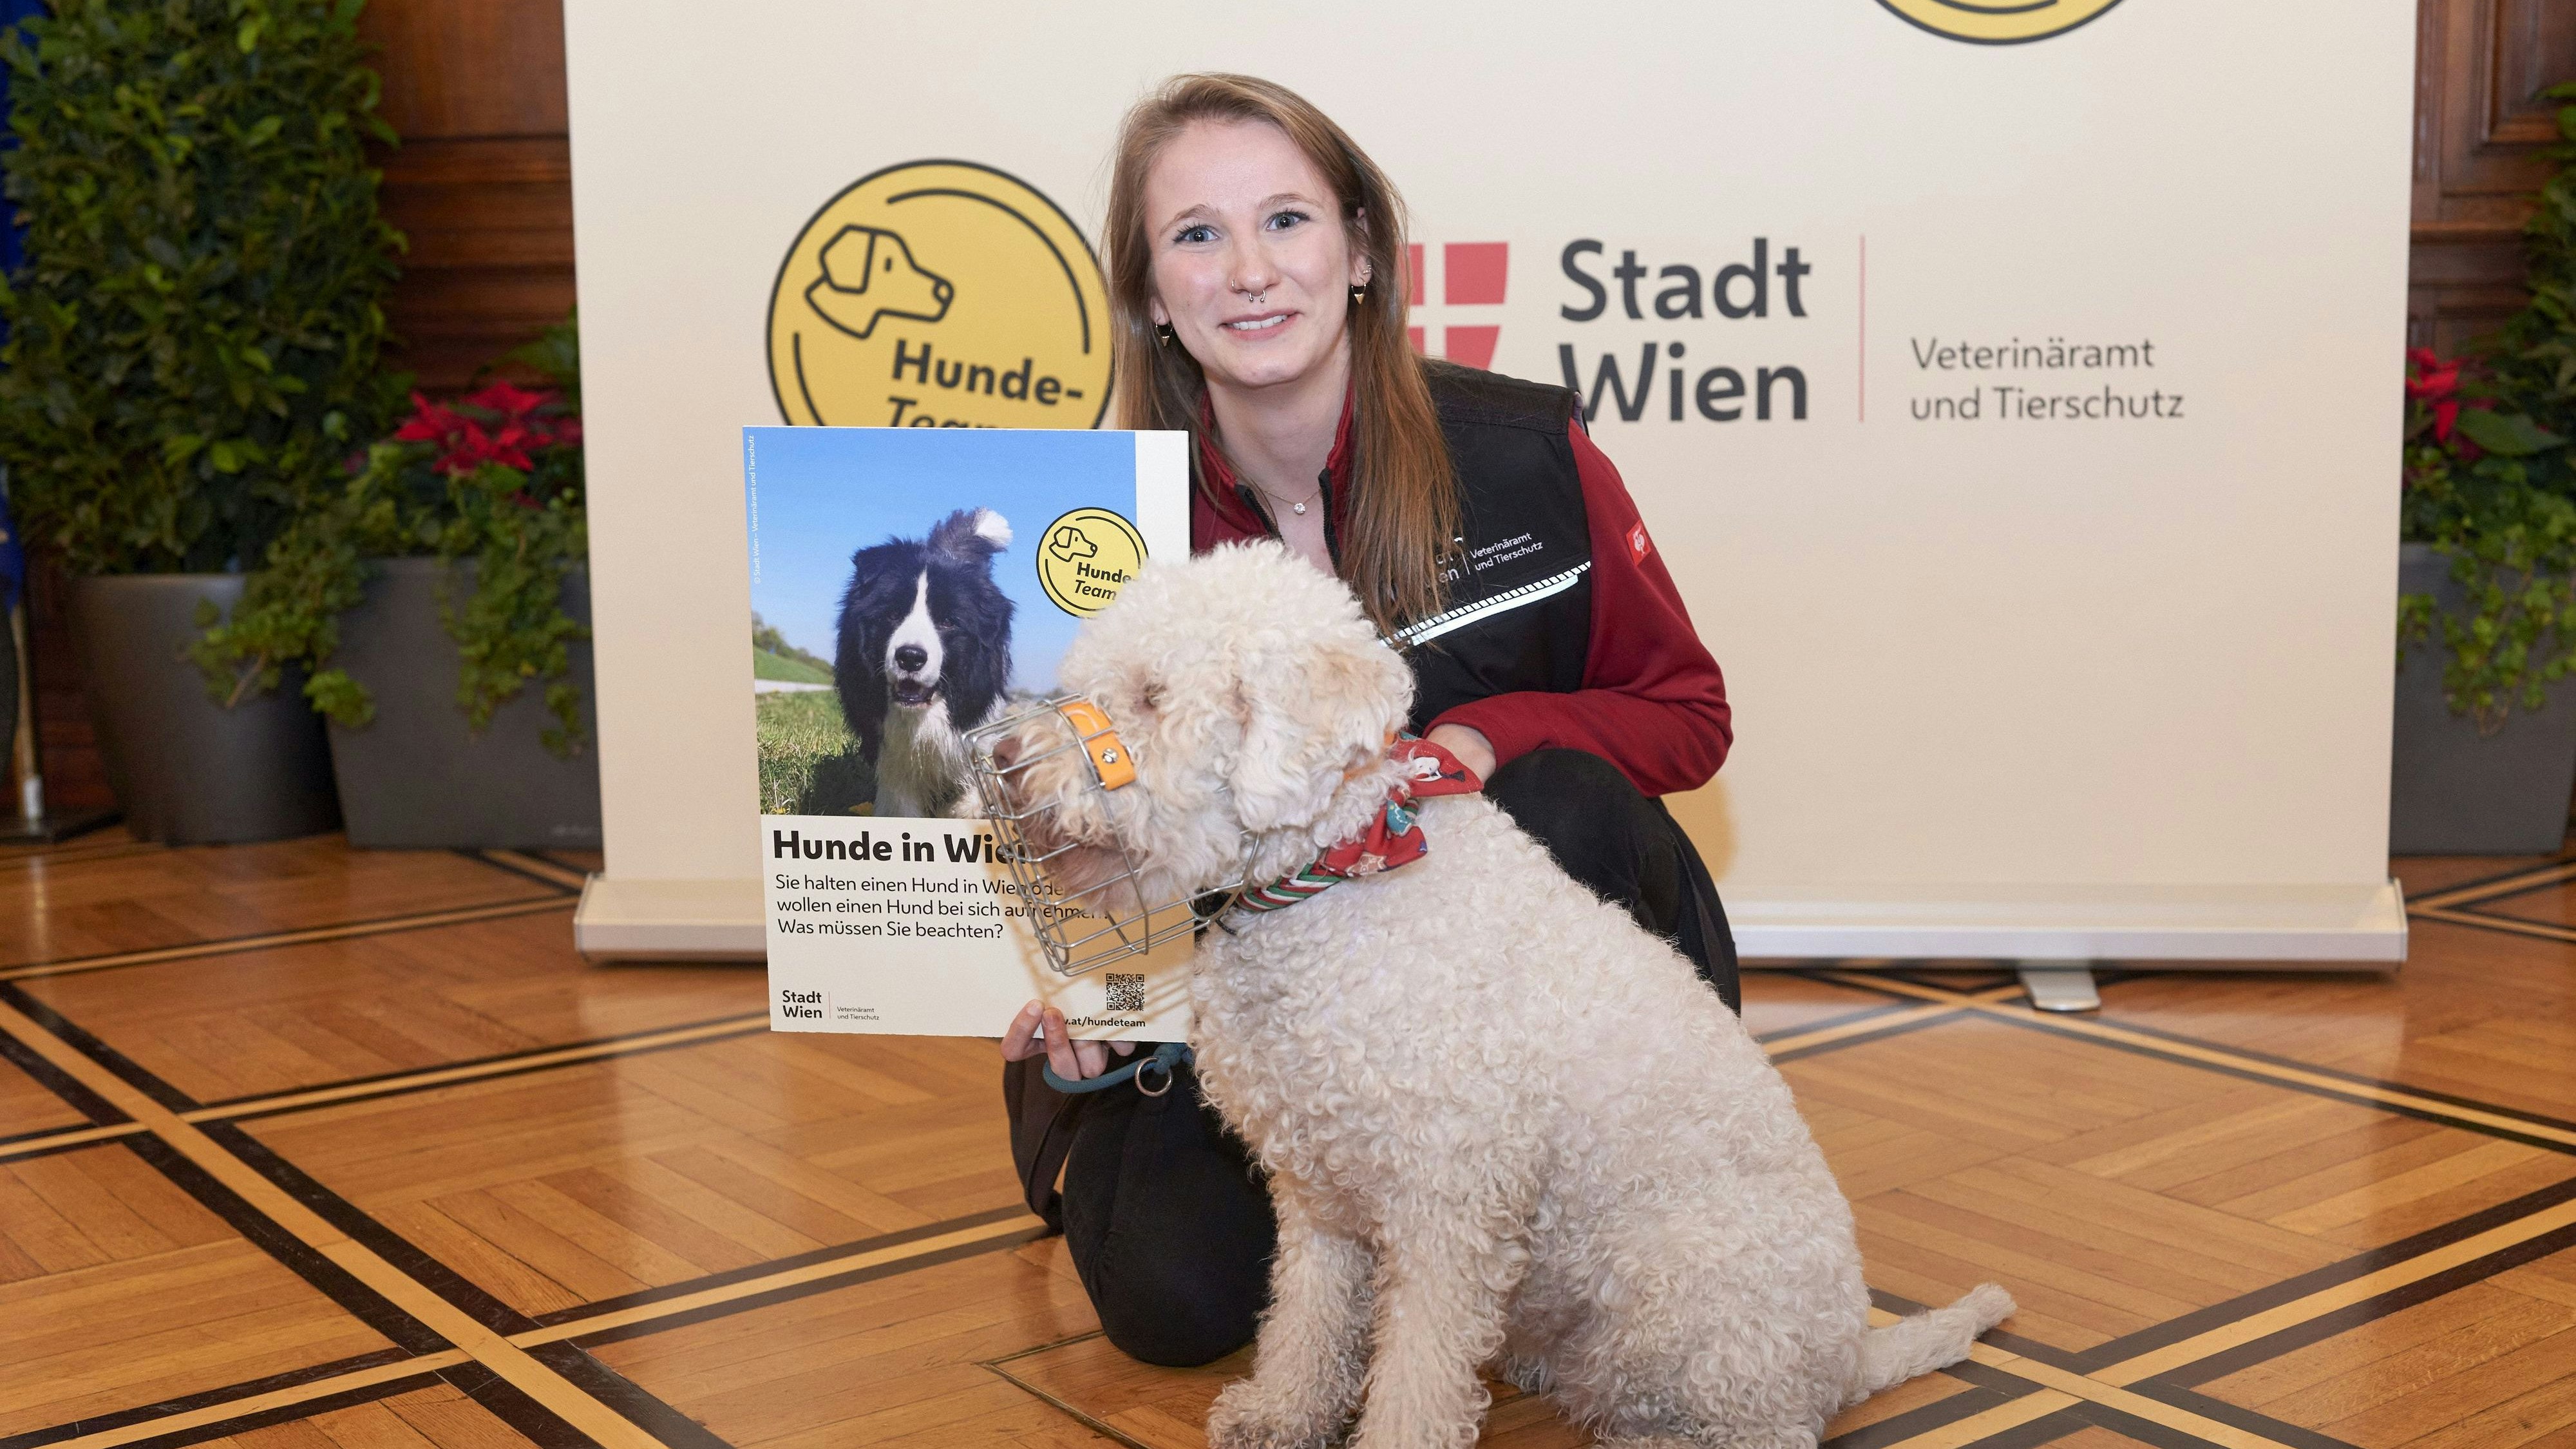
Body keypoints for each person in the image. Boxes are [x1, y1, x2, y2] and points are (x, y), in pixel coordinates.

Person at [998, 73, 1737, 1368]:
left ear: (1358, 253)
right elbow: (1082, 804)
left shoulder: (1523, 452)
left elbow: (1686, 713)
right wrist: (1075, 974)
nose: (1247, 272)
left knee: (1557, 801)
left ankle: (1517, 1209)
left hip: (1522, 980)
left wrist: (1483, 738)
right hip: (1258, 988)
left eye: (1284, 220)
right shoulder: (1108, 531)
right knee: (1170, 1306)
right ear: (1145, 293)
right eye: (1194, 235)